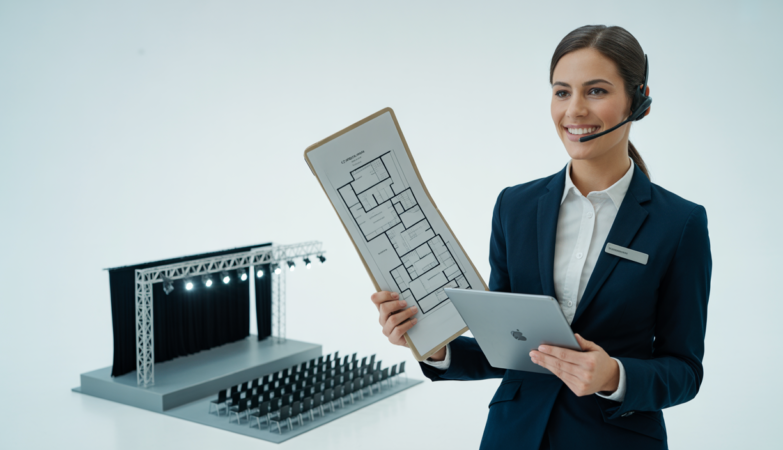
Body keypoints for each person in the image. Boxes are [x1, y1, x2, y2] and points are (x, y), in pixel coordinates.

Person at [370, 25, 712, 450]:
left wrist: (613, 376)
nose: (575, 110)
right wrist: (432, 345)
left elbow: (684, 370)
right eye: (562, 92)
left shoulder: (679, 223)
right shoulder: (515, 207)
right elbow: (506, 348)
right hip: (513, 435)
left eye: (596, 91)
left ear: (638, 101)